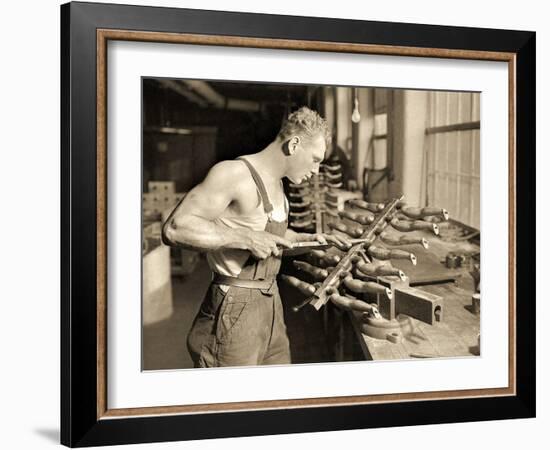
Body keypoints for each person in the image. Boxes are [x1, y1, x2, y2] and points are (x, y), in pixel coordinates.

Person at [162, 106, 350, 368]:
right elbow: (175, 228)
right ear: (294, 144)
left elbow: (274, 236)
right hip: (234, 307)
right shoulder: (233, 174)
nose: (316, 171)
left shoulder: (278, 184)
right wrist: (246, 237)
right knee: (233, 403)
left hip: (271, 302)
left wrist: (315, 238)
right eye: (315, 159)